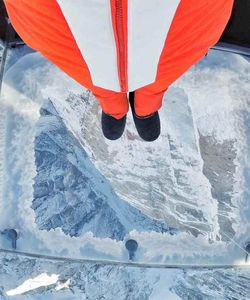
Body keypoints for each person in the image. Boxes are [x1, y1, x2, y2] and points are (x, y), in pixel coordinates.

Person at [3, 0, 234, 141]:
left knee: (107, 81)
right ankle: (138, 107)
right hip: (180, 31)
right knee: (146, 80)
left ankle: (123, 107)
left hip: (67, 36)